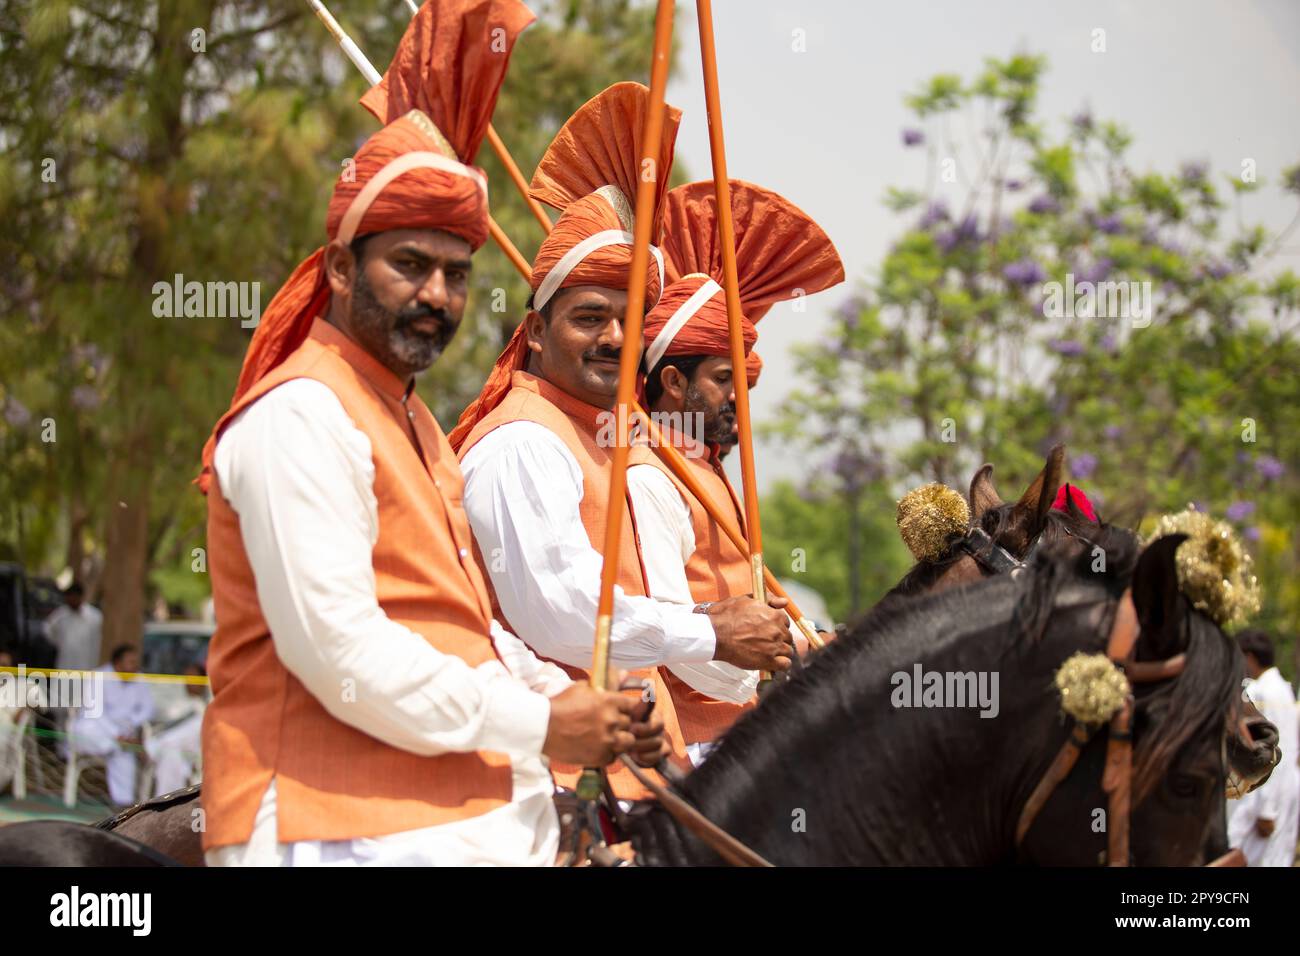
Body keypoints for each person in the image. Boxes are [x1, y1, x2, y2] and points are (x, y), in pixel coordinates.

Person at [197, 0, 663, 867]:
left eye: (455, 273)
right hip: (324, 825)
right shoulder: (300, 413)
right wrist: (544, 718)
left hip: (439, 816)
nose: (437, 295)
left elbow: (464, 633)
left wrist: (572, 698)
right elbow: (339, 651)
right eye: (409, 265)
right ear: (341, 267)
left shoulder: (412, 423)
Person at [451, 83, 793, 798]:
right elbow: (562, 612)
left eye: (629, 319)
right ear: (537, 332)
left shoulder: (603, 437)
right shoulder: (523, 442)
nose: (614, 337)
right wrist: (714, 635)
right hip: (552, 786)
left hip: (633, 770)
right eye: (590, 317)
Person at [627, 179, 844, 764]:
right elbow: (672, 636)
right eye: (723, 381)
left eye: (743, 385)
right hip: (691, 749)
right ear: (673, 382)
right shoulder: (650, 475)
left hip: (740, 732)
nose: (738, 400)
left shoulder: (710, 469)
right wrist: (775, 660)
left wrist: (817, 644)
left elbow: (751, 613)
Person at [1227, 629, 1298, 866]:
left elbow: (1266, 753)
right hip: (1285, 792)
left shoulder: (1260, 692)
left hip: (1260, 795)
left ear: (1249, 657)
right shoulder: (1285, 689)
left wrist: (1266, 810)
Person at [67, 643, 154, 808]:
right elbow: (95, 713)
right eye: (131, 662)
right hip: (93, 730)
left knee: (122, 749)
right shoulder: (97, 676)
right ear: (117, 663)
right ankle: (122, 799)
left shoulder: (140, 678)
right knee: (119, 745)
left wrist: (130, 723)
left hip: (125, 733)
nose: (135, 666)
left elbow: (148, 708)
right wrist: (117, 735)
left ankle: (123, 803)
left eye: (136, 662)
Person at [144, 662, 208, 796]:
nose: (189, 682)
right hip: (174, 750)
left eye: (194, 678)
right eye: (187, 678)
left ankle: (153, 747)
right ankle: (165, 803)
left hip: (196, 750)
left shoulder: (206, 706)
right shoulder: (178, 703)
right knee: (171, 756)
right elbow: (164, 725)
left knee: (196, 723)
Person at [45, 582, 102, 673]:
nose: (71, 600)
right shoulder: (61, 615)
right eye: (68, 597)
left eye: (73, 597)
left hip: (87, 665)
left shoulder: (94, 616)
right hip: (65, 664)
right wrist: (60, 643)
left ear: (80, 597)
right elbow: (48, 629)